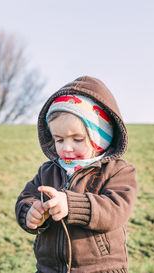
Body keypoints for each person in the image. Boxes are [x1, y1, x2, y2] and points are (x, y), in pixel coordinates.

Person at [15, 76, 138, 273]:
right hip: (50, 268)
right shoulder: (49, 171)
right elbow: (26, 197)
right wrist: (30, 213)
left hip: (100, 268)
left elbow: (116, 210)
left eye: (77, 139)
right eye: (59, 139)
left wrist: (71, 205)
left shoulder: (117, 171)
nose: (67, 148)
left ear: (101, 138)